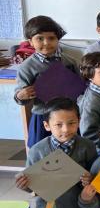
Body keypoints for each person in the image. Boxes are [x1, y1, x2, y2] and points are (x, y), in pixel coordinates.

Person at [15, 98, 97, 208]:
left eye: (71, 123)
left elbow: (96, 175)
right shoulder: (37, 151)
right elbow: (32, 186)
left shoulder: (87, 146)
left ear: (79, 122)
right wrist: (24, 185)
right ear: (47, 126)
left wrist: (90, 179)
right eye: (58, 125)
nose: (66, 130)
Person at [14, 15, 78, 147]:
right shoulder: (27, 67)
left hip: (67, 116)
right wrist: (21, 95)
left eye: (51, 38)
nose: (46, 43)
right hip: (42, 116)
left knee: (71, 149)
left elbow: (79, 87)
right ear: (30, 42)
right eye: (40, 38)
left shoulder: (69, 62)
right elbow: (20, 95)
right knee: (42, 152)